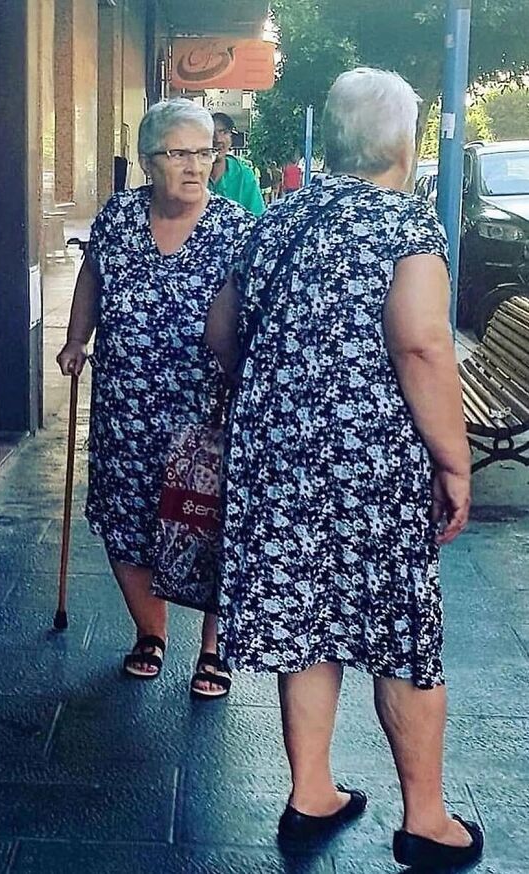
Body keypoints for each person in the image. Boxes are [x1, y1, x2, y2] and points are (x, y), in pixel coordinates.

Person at [206, 68, 484, 869]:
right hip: (370, 470)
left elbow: (220, 331)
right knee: (400, 630)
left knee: (304, 622)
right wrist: (454, 461)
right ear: (404, 142)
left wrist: (279, 389)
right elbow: (422, 346)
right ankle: (425, 820)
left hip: (275, 462)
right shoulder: (405, 223)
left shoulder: (279, 217)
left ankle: (311, 794)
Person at [57, 99, 254, 699]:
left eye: (205, 152)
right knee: (127, 519)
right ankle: (151, 633)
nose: (195, 166)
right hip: (127, 404)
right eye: (178, 153)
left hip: (207, 409)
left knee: (212, 525)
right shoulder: (119, 218)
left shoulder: (237, 229)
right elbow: (93, 276)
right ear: (148, 161)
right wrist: (76, 338)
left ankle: (214, 650)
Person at [209, 112, 266, 216]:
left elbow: (258, 217)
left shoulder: (243, 174)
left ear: (231, 138)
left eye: (224, 132)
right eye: (211, 133)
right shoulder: (191, 173)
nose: (218, 139)